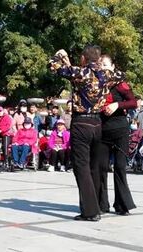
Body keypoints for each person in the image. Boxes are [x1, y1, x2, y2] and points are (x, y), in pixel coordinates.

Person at [49, 45, 115, 221]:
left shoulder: (80, 72)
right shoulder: (105, 74)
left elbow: (53, 66)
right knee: (94, 167)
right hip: (97, 123)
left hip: (81, 122)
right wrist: (105, 67)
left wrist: (59, 54)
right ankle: (99, 205)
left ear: (84, 58)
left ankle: (90, 211)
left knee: (81, 167)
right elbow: (121, 75)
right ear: (99, 59)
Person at [97, 54, 137, 215]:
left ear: (113, 67)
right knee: (100, 168)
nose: (103, 68)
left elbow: (133, 102)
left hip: (120, 130)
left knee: (120, 167)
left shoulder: (120, 84)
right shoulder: (96, 85)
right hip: (101, 131)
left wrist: (117, 105)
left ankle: (122, 205)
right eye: (100, 65)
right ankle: (101, 204)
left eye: (105, 64)